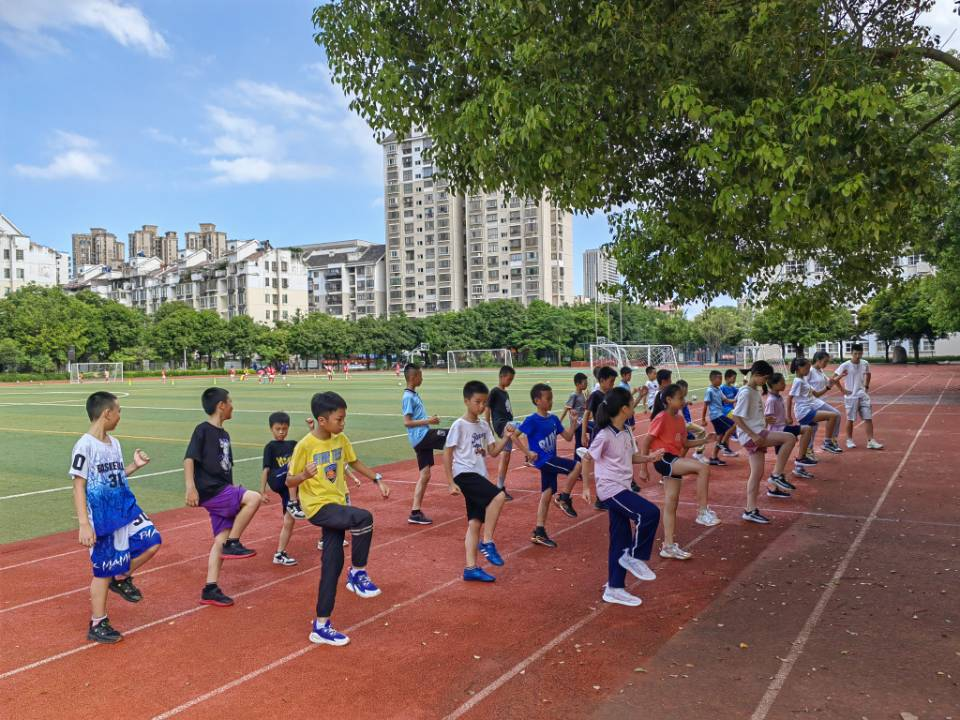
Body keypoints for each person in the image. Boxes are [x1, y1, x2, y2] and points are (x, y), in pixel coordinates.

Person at [287, 391, 391, 646]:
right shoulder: (305, 446)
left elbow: (354, 462)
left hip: (336, 504)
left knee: (331, 566)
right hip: (317, 507)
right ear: (322, 421)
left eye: (344, 419)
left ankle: (321, 625)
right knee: (363, 518)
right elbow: (289, 480)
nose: (343, 424)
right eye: (339, 419)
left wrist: (377, 479)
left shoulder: (340, 439)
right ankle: (357, 573)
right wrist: (304, 476)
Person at [70, 391, 161, 643]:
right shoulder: (85, 446)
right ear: (106, 413)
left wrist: (134, 466)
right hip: (102, 518)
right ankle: (98, 623)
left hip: (126, 508)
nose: (120, 416)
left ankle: (121, 577)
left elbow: (116, 476)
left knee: (152, 542)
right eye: (118, 411)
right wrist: (84, 524)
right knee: (102, 571)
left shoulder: (116, 443)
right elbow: (79, 485)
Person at [578, 387, 664, 607]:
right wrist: (587, 487)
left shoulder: (626, 431)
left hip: (623, 487)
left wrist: (649, 458)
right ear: (624, 409)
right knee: (649, 513)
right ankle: (635, 556)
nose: (634, 404)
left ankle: (614, 588)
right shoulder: (604, 434)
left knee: (620, 539)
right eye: (632, 403)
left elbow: (631, 457)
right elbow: (587, 458)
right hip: (611, 489)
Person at [184, 388, 263, 607]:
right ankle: (234, 542)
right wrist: (190, 487)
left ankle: (210, 588)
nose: (232, 406)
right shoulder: (203, 430)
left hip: (222, 487)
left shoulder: (224, 434)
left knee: (220, 539)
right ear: (221, 405)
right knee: (254, 498)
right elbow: (189, 458)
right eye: (230, 402)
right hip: (211, 490)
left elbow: (226, 467)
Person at [443, 380, 513, 582]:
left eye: (484, 403)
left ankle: (470, 568)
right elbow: (447, 454)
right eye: (477, 402)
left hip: (479, 475)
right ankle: (488, 542)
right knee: (499, 496)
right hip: (464, 474)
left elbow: (492, 452)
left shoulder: (483, 425)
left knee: (474, 523)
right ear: (466, 401)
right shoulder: (459, 425)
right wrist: (450, 482)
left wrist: (507, 438)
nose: (482, 407)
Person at [641, 384, 719, 560]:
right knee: (702, 467)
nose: (683, 401)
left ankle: (668, 546)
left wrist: (705, 440)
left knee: (671, 502)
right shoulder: (661, 418)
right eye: (680, 398)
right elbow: (646, 442)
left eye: (684, 398)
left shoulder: (679, 420)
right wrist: (643, 468)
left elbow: (684, 444)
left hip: (673, 460)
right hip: (664, 459)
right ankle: (702, 512)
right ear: (669, 400)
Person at [514, 383, 583, 546]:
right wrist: (527, 452)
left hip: (551, 459)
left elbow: (567, 437)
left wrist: (573, 424)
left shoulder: (553, 419)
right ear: (537, 400)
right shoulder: (532, 420)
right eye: (548, 398)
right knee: (576, 466)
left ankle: (539, 531)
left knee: (546, 494)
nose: (551, 401)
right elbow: (514, 436)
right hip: (543, 461)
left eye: (551, 398)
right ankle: (563, 498)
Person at [732, 361, 798, 524]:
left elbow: (748, 414)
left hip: (756, 431)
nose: (766, 382)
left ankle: (750, 510)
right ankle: (776, 475)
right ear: (757, 375)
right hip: (753, 435)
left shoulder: (753, 390)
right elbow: (736, 417)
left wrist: (762, 418)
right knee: (789, 438)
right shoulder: (747, 392)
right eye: (765, 378)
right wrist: (752, 435)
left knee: (756, 474)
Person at [401, 363, 446, 525]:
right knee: (452, 434)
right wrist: (429, 421)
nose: (422, 378)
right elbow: (407, 422)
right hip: (421, 437)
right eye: (420, 375)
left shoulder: (413, 394)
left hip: (421, 439)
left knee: (425, 474)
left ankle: (415, 512)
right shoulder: (407, 397)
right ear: (413, 377)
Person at [260, 411, 306, 567]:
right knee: (292, 464)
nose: (281, 432)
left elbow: (310, 444)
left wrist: (311, 428)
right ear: (271, 429)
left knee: (289, 521)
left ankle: (280, 553)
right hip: (277, 479)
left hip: (290, 486)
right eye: (278, 429)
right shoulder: (270, 447)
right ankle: (294, 502)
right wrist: (262, 491)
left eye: (284, 429)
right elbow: (266, 469)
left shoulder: (292, 444)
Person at [764, 372, 816, 493]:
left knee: (781, 461)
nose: (784, 384)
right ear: (774, 384)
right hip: (778, 431)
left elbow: (778, 415)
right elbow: (768, 418)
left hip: (783, 428)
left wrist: (786, 420)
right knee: (807, 429)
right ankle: (800, 457)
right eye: (782, 382)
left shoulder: (778, 397)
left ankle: (774, 489)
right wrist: (765, 435)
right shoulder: (771, 400)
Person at [787, 357, 841, 463]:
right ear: (799, 368)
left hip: (808, 409)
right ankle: (827, 442)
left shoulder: (804, 380)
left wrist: (828, 387)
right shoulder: (798, 381)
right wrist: (788, 416)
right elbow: (789, 398)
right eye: (806, 368)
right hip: (804, 412)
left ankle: (800, 466)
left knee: (807, 439)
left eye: (809, 368)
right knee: (833, 415)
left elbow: (816, 394)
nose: (808, 371)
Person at [833, 344, 883, 450]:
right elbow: (833, 378)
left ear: (862, 353)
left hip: (862, 395)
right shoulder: (845, 365)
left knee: (868, 417)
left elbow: (868, 374)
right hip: (851, 396)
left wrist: (866, 386)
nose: (857, 356)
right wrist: (842, 390)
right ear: (851, 353)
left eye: (859, 353)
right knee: (850, 419)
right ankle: (849, 439)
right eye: (855, 353)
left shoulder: (865, 363)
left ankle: (871, 441)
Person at [484, 365, 516, 501]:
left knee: (506, 456)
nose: (510, 382)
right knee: (526, 425)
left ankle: (499, 487)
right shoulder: (495, 391)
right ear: (502, 377)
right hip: (502, 425)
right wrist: (488, 428)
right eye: (509, 379)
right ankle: (529, 454)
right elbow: (487, 410)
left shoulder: (505, 392)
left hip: (507, 425)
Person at [807, 350, 843, 455]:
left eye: (828, 362)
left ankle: (808, 450)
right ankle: (829, 441)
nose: (826, 364)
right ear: (818, 360)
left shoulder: (820, 371)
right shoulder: (809, 371)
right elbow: (804, 385)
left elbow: (830, 382)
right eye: (825, 361)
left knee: (812, 426)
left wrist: (841, 376)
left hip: (818, 401)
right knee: (836, 414)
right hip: (812, 402)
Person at [581, 366, 619, 449]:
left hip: (612, 432)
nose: (613, 384)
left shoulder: (612, 395)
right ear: (602, 380)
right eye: (611, 381)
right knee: (594, 457)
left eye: (614, 381)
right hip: (599, 431)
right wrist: (583, 435)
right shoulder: (595, 395)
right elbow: (586, 415)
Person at [700, 370, 732, 466]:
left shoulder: (718, 389)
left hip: (719, 414)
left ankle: (714, 457)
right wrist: (703, 419)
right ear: (712, 379)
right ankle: (723, 444)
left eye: (721, 378)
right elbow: (705, 405)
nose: (721, 380)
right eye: (719, 378)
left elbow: (726, 400)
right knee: (733, 425)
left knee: (720, 435)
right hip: (716, 415)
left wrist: (738, 398)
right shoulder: (709, 391)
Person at [675, 379, 708, 464]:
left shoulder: (682, 398)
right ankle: (698, 453)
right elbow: (678, 407)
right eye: (685, 389)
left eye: (686, 389)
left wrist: (687, 402)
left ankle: (680, 459)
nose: (686, 391)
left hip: (685, 423)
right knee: (701, 431)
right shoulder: (678, 399)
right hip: (683, 424)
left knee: (688, 440)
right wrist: (686, 403)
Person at [559, 372, 589, 450]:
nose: (586, 384)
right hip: (578, 423)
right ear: (578, 384)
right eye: (585, 383)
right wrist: (560, 421)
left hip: (582, 421)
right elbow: (566, 408)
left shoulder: (583, 394)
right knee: (579, 443)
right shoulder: (574, 395)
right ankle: (577, 460)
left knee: (579, 443)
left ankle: (578, 459)